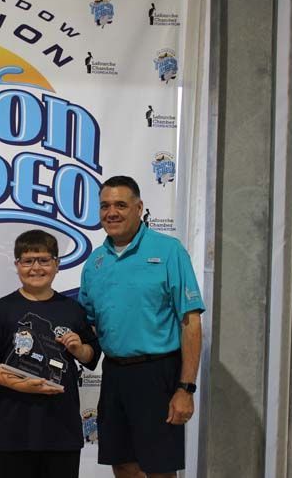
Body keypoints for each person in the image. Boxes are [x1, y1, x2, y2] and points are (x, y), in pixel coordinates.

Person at [78, 176, 204, 478]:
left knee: (159, 469)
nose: (112, 212)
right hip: (115, 375)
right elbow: (89, 327)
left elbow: (191, 323)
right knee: (121, 464)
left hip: (158, 374)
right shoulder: (94, 263)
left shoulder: (169, 251)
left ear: (139, 208)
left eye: (121, 205)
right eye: (105, 205)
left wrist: (185, 388)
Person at [0, 230, 101, 478]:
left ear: (57, 264)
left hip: (63, 430)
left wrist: (78, 348)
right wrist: (20, 384)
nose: (36, 268)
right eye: (28, 260)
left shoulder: (73, 310)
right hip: (15, 430)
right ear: (17, 265)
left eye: (44, 260)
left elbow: (91, 356)